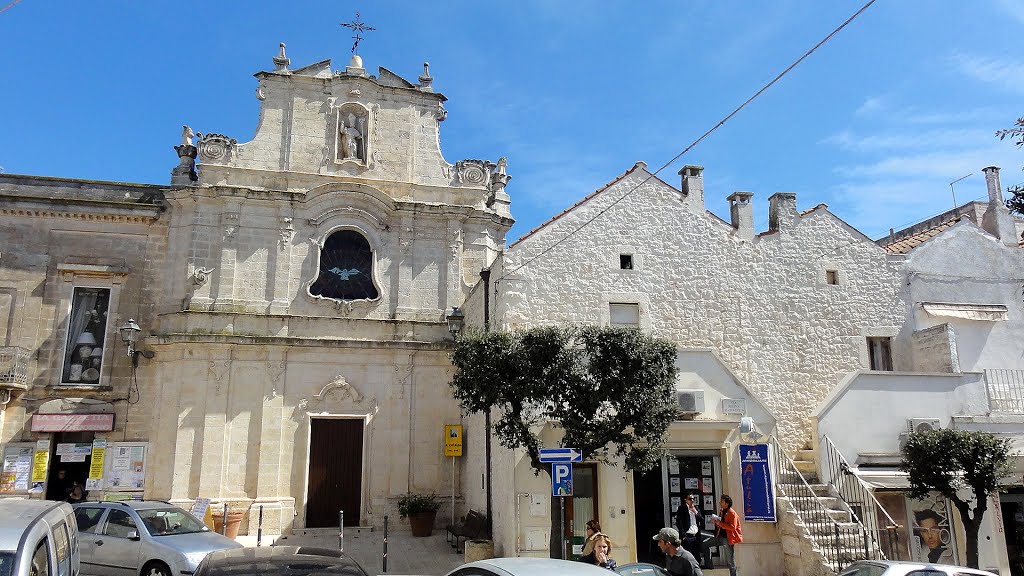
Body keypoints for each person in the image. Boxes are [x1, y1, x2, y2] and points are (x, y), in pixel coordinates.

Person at [705, 495, 742, 576]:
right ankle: (709, 564)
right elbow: (721, 524)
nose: (720, 503)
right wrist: (716, 522)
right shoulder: (722, 511)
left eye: (722, 501)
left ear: (727, 503)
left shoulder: (732, 513)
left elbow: (733, 527)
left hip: (728, 539)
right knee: (705, 544)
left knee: (730, 561)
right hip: (720, 537)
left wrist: (720, 523)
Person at [675, 493, 705, 565]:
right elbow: (679, 522)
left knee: (697, 556)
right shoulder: (682, 508)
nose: (692, 501)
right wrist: (684, 536)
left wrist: (696, 512)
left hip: (696, 536)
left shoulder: (696, 508)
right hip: (688, 536)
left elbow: (702, 520)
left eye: (693, 499)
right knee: (688, 556)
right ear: (685, 500)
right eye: (690, 499)